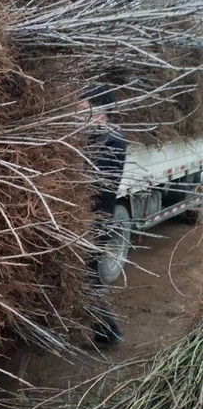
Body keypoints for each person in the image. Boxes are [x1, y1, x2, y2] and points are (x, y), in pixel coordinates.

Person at [79, 85, 127, 347]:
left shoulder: (112, 140)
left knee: (86, 279)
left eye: (84, 108)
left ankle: (110, 332)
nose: (79, 113)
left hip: (97, 219)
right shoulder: (99, 136)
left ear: (100, 111)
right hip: (91, 216)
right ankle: (104, 331)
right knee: (86, 278)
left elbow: (94, 179)